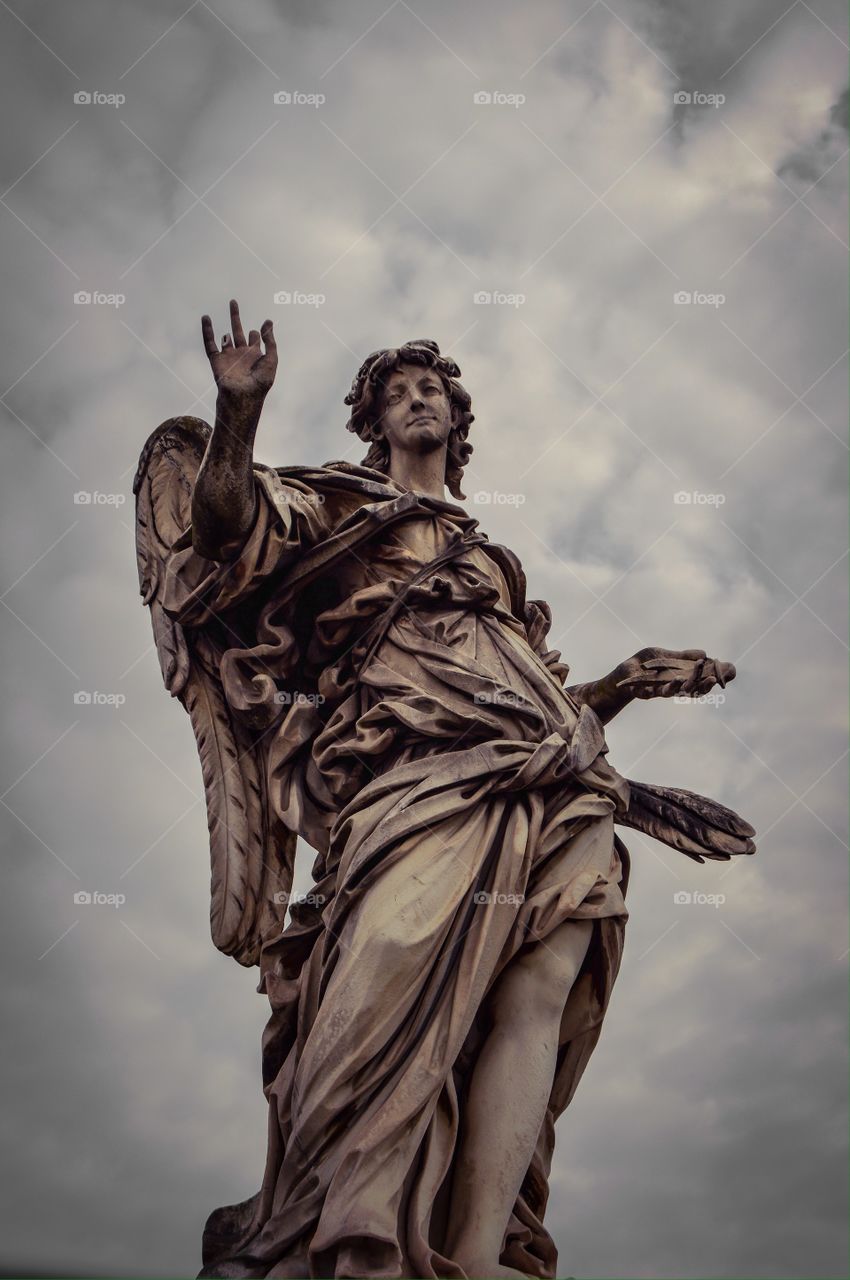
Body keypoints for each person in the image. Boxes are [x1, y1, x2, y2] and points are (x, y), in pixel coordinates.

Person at [134, 301, 753, 1280]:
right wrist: (238, 411)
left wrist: (620, 684)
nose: (418, 398)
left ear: (455, 422)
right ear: (372, 418)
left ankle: (479, 1254)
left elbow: (533, 696)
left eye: (432, 389)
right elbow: (224, 524)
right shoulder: (335, 504)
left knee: (542, 984)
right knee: (376, 983)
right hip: (406, 779)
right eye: (397, 390)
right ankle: (344, 1221)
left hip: (548, 786)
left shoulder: (492, 564)